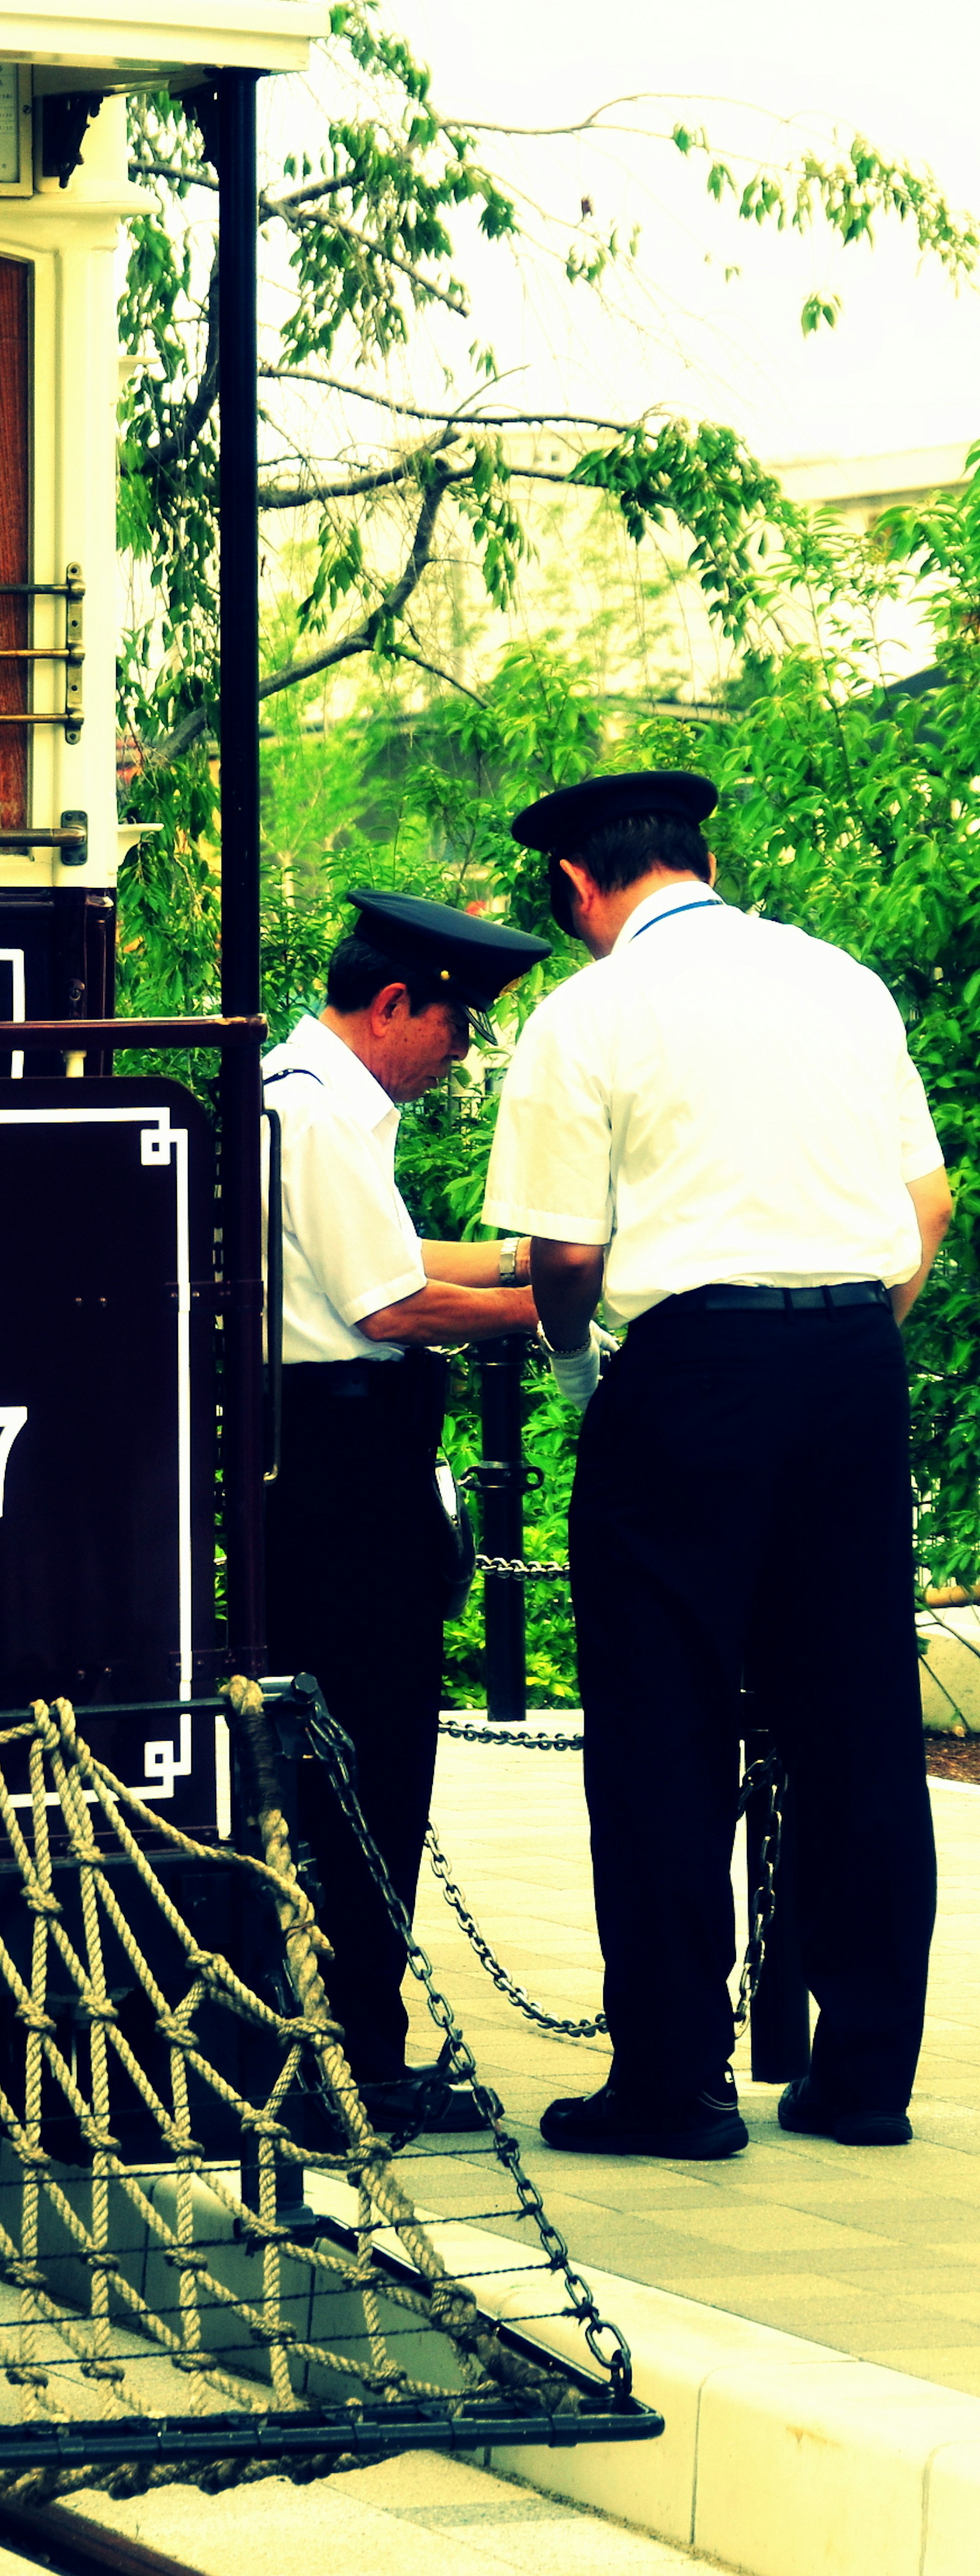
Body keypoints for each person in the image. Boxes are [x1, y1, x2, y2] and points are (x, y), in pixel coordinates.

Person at [484, 770, 951, 2158]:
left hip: (691, 1371)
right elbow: (925, 1201)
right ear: (699, 854)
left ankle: (676, 2080)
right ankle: (863, 2075)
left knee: (663, 1719)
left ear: (577, 884)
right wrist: (848, 1329)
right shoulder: (841, 983)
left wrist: (578, 1368)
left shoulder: (589, 1012)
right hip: (855, 1355)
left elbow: (564, 1253)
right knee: (861, 1709)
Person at [265, 890, 551, 2134]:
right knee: (371, 1762)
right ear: (394, 1005)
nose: (459, 1054)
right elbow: (386, 1306)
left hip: (333, 1459)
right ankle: (356, 2058)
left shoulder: (312, 1097)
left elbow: (388, 1257)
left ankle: (357, 2038)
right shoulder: (321, 1116)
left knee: (363, 1758)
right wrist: (565, 1306)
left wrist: (520, 1259)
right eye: (455, 1025)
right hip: (342, 1461)